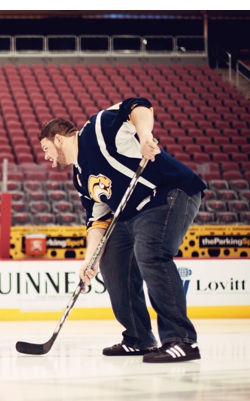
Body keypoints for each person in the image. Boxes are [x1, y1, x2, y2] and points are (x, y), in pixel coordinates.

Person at [38, 99, 206, 363]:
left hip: (168, 194)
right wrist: (89, 260)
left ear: (58, 139)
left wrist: (145, 137)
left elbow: (138, 106)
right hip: (130, 215)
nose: (46, 157)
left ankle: (181, 340)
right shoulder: (80, 177)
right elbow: (98, 221)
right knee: (112, 262)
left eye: (46, 148)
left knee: (150, 253)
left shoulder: (97, 129)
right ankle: (139, 338)